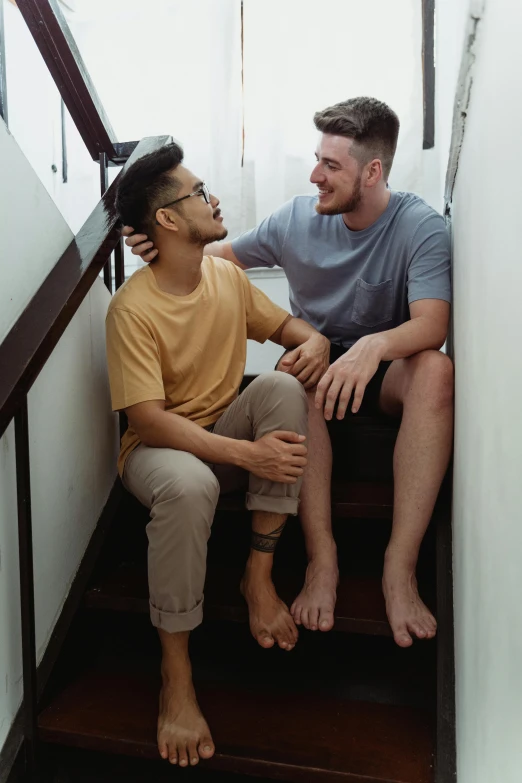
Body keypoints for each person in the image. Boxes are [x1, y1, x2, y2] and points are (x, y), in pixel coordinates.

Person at [124, 97, 454, 650]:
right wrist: (159, 242)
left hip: (386, 372)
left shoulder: (420, 227)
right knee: (293, 376)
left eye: (331, 166)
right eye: (316, 158)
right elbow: (214, 258)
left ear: (372, 172)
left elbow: (432, 324)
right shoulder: (295, 219)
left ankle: (399, 567)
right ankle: (321, 559)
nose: (314, 175)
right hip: (319, 381)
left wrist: (372, 347)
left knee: (437, 372)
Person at [107, 142, 330, 767]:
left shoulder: (227, 278)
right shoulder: (132, 308)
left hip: (224, 439)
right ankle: (175, 673)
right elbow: (148, 420)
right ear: (169, 221)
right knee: (189, 485)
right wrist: (246, 454)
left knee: (284, 384)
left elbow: (296, 333)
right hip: (159, 452)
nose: (215, 198)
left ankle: (257, 577)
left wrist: (317, 343)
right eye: (200, 192)